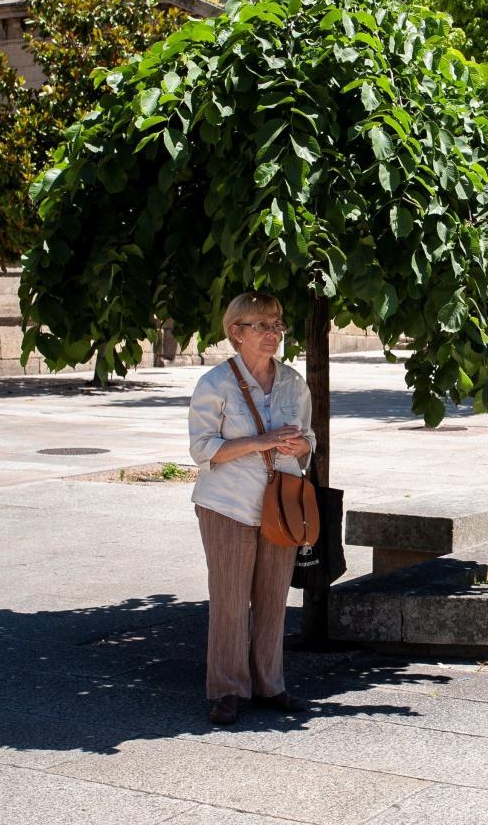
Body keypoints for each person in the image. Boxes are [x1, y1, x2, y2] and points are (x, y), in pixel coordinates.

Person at [187, 291, 316, 724]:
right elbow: (203, 449)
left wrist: (301, 445)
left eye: (277, 324)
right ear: (236, 332)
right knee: (229, 600)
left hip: (279, 506)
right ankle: (226, 690)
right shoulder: (215, 384)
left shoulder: (293, 382)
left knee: (273, 598)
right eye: (262, 325)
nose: (273, 333)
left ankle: (270, 685)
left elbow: (309, 441)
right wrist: (258, 442)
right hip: (227, 505)